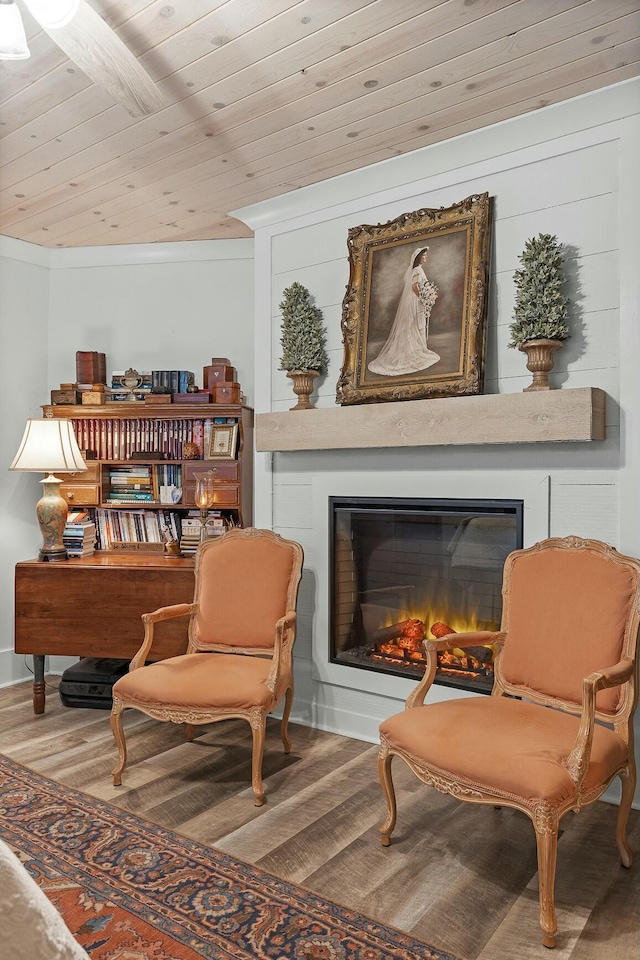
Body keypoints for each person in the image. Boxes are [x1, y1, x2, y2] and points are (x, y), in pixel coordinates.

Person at [368, 246, 440, 376]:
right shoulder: (417, 270)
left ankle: (417, 347)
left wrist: (426, 296)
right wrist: (423, 298)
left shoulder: (418, 270)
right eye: (424, 255)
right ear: (419, 258)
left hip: (415, 299)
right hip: (414, 300)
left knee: (413, 325)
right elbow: (414, 286)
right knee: (412, 325)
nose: (426, 257)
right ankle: (412, 351)